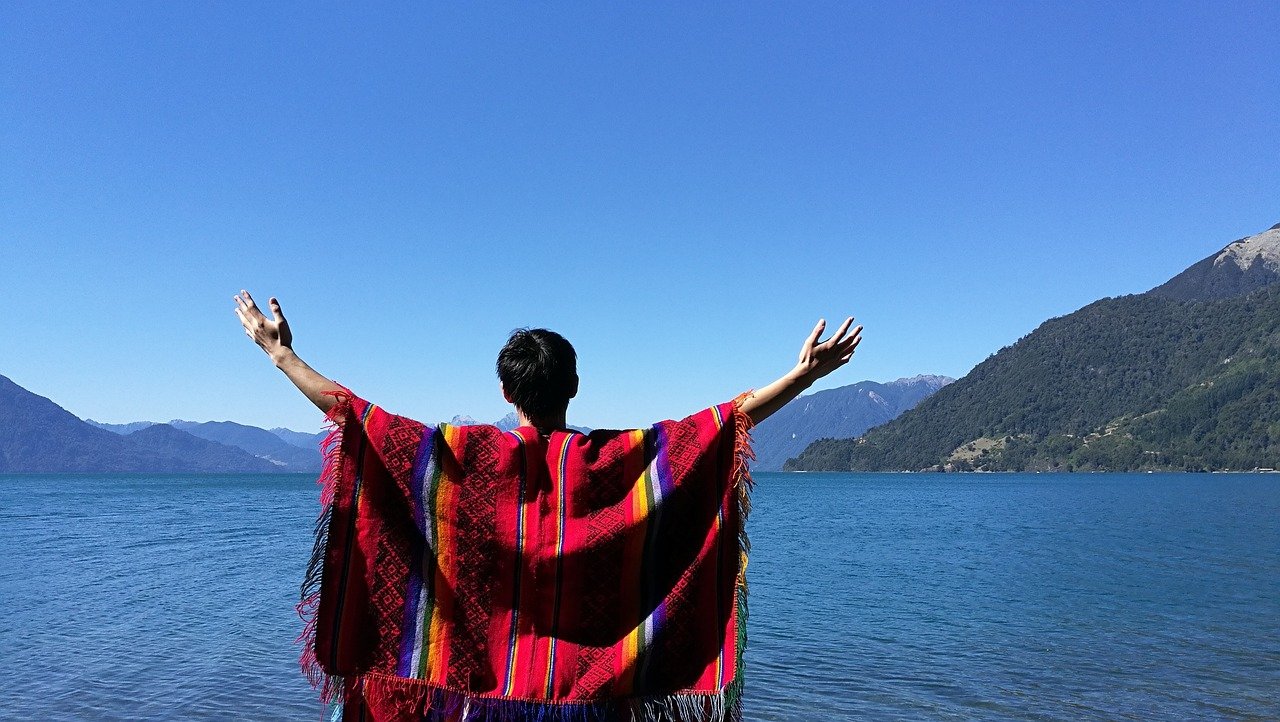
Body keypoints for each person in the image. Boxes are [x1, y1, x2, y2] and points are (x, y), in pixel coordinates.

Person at [234, 290, 861, 722]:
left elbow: (362, 420)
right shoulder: (617, 461)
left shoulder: (465, 458)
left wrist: (280, 354)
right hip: (591, 695)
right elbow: (724, 423)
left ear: (505, 390)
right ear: (576, 386)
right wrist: (803, 375)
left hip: (486, 697)